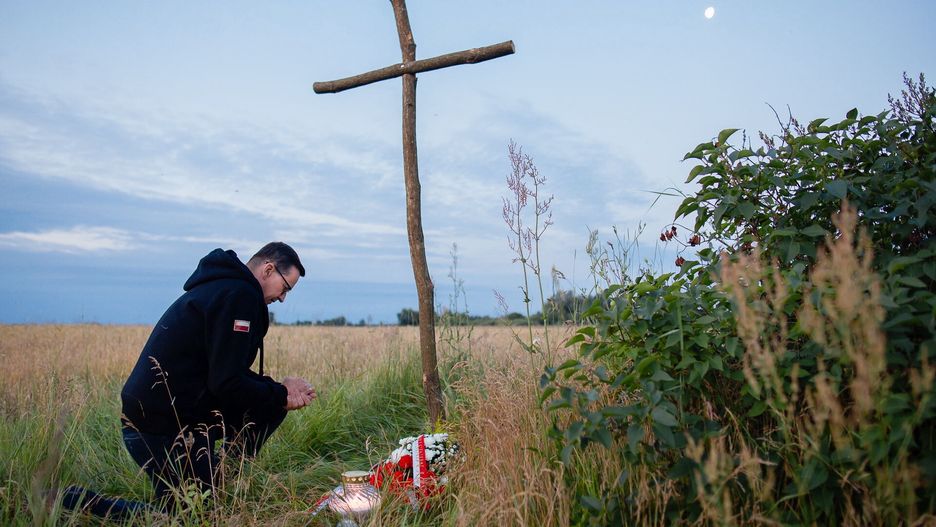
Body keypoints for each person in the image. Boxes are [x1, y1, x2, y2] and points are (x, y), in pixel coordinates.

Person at [63, 242, 316, 518]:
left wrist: (278, 392)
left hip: (172, 418)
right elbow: (227, 383)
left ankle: (217, 479)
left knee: (269, 404)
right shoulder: (240, 295)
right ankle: (76, 503)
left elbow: (225, 374)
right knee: (191, 519)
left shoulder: (223, 289)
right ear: (268, 270)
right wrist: (281, 393)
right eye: (286, 288)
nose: (282, 299)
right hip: (162, 428)